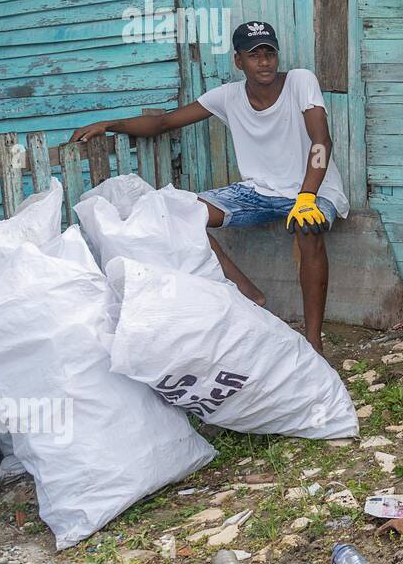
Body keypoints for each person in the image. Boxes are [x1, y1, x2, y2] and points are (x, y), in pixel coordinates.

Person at [70, 20, 346, 355]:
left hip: (313, 189)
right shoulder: (227, 97)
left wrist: (307, 198)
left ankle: (314, 341)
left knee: (308, 226)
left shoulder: (301, 81)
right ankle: (251, 297)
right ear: (238, 61)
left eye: (269, 53)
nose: (264, 62)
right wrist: (108, 124)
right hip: (259, 192)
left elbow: (321, 139)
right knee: (181, 213)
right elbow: (163, 122)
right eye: (254, 54)